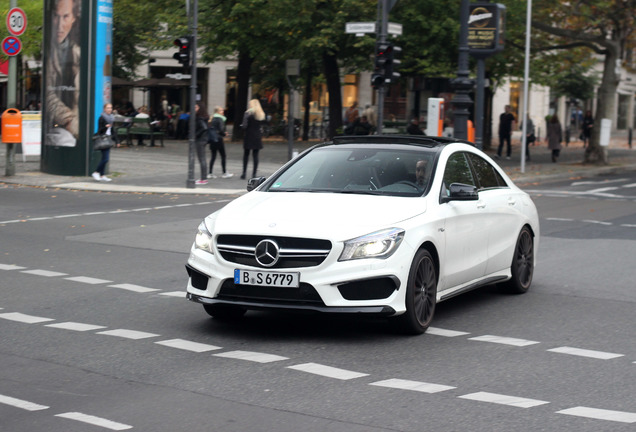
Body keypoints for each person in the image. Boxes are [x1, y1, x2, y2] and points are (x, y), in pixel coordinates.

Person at [46, 0, 81, 147]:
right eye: (56, 16)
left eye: (65, 16)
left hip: (76, 127)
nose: (59, 25)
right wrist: (69, 119)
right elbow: (48, 93)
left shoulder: (79, 54)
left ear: (73, 19)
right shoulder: (48, 53)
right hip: (60, 127)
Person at [240, 99, 265, 179]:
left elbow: (244, 125)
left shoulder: (247, 113)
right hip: (257, 136)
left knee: (246, 154)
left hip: (249, 135)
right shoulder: (260, 114)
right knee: (255, 155)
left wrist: (241, 127)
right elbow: (262, 126)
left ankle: (244, 173)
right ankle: (254, 174)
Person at [208, 106, 233, 179]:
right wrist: (225, 134)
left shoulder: (212, 119)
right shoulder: (220, 119)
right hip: (218, 139)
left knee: (213, 156)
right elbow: (221, 130)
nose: (223, 112)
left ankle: (210, 173)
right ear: (217, 112)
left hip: (212, 139)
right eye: (221, 111)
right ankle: (224, 172)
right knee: (223, 156)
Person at [92, 103, 114, 182]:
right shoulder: (102, 118)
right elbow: (99, 130)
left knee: (105, 158)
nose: (109, 109)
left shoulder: (111, 118)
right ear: (104, 109)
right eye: (108, 108)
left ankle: (102, 175)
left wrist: (117, 140)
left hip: (108, 139)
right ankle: (96, 172)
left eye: (110, 108)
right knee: (105, 159)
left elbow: (113, 130)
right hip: (103, 139)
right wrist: (105, 127)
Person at [194, 103, 210, 185]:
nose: (194, 108)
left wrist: (196, 135)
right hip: (204, 139)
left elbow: (204, 128)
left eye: (196, 107)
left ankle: (203, 179)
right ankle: (204, 178)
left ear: (200, 108)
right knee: (202, 159)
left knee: (202, 159)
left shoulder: (199, 118)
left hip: (200, 140)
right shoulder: (203, 117)